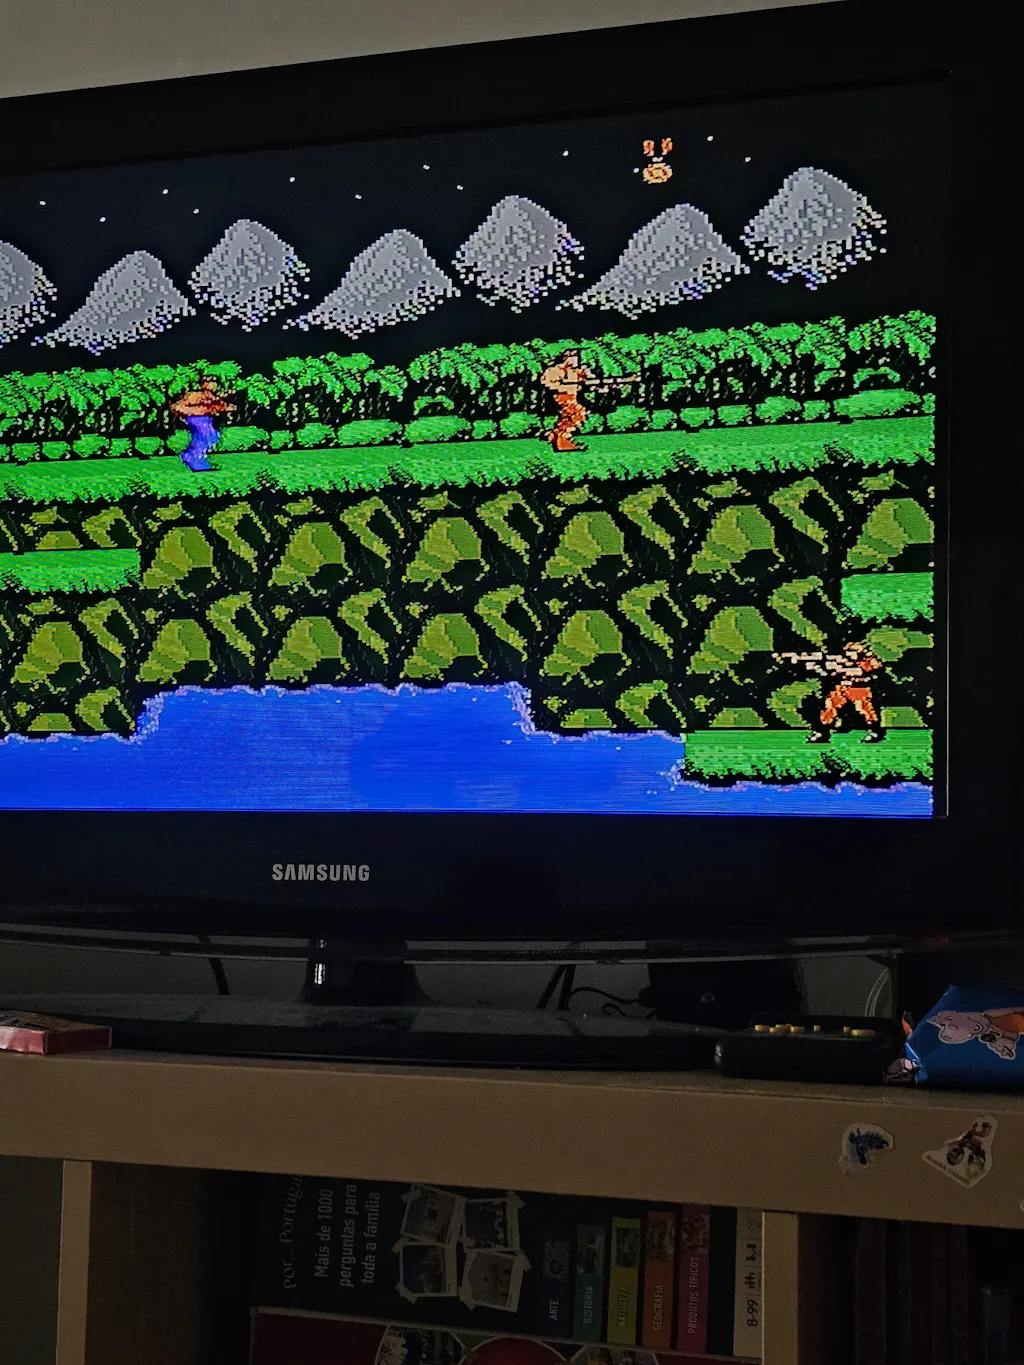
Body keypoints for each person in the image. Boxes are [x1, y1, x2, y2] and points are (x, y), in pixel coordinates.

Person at [774, 640, 885, 743]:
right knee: (829, 707)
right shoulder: (839, 661)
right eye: (848, 651)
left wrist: (859, 673)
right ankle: (822, 732)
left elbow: (875, 672)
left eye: (853, 652)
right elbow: (826, 669)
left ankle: (875, 731)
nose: (850, 654)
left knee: (863, 709)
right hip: (840, 688)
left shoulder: (869, 661)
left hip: (858, 689)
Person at [539, 349, 638, 453]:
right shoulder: (555, 370)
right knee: (575, 414)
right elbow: (548, 383)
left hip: (571, 398)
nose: (576, 360)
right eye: (572, 356)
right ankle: (560, 439)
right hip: (561, 398)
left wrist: (602, 386)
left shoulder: (576, 371)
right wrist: (566, 387)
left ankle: (559, 438)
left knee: (573, 416)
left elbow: (590, 381)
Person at [169, 375, 236, 471]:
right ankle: (193, 458)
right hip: (197, 419)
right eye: (209, 382)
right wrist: (194, 411)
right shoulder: (195, 395)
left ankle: (197, 457)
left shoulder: (212, 397)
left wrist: (226, 408)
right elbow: (177, 407)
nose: (212, 385)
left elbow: (220, 406)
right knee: (206, 435)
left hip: (207, 419)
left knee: (213, 436)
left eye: (214, 383)